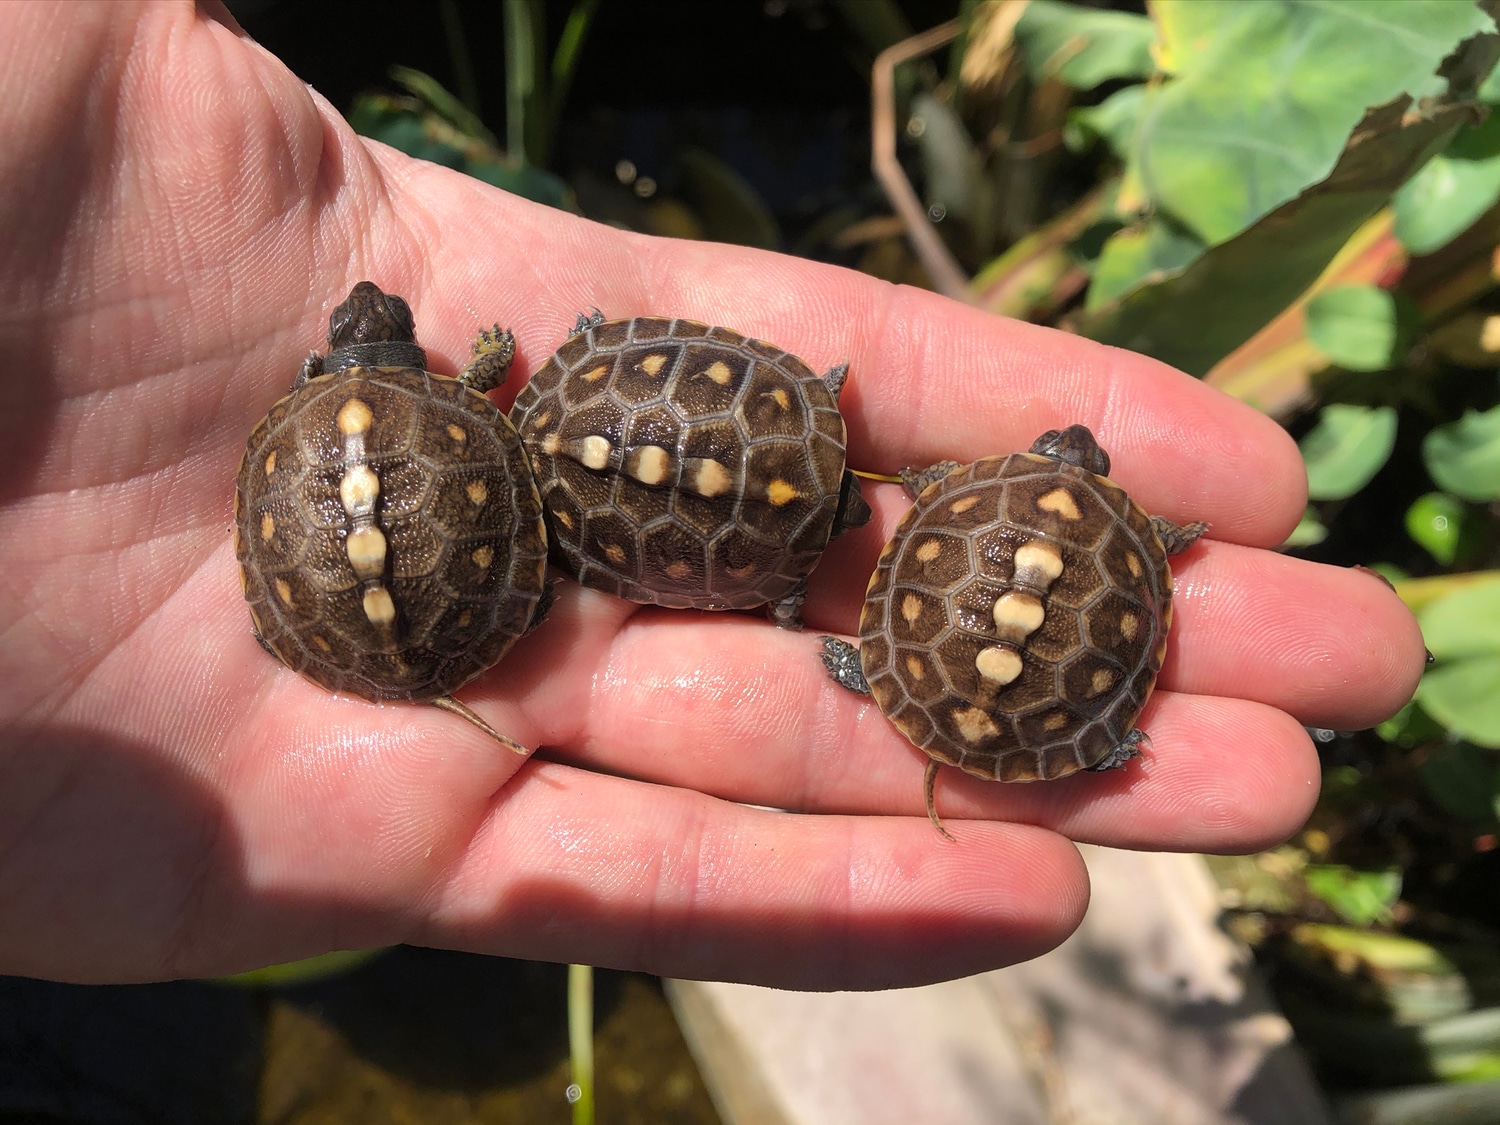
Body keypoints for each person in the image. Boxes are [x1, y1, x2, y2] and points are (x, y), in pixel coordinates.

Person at [0, 2, 1424, 989]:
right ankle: (950, 692)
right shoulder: (539, 414)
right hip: (680, 504)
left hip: (591, 481)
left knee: (578, 504)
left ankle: (947, 690)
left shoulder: (473, 401)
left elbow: (540, 466)